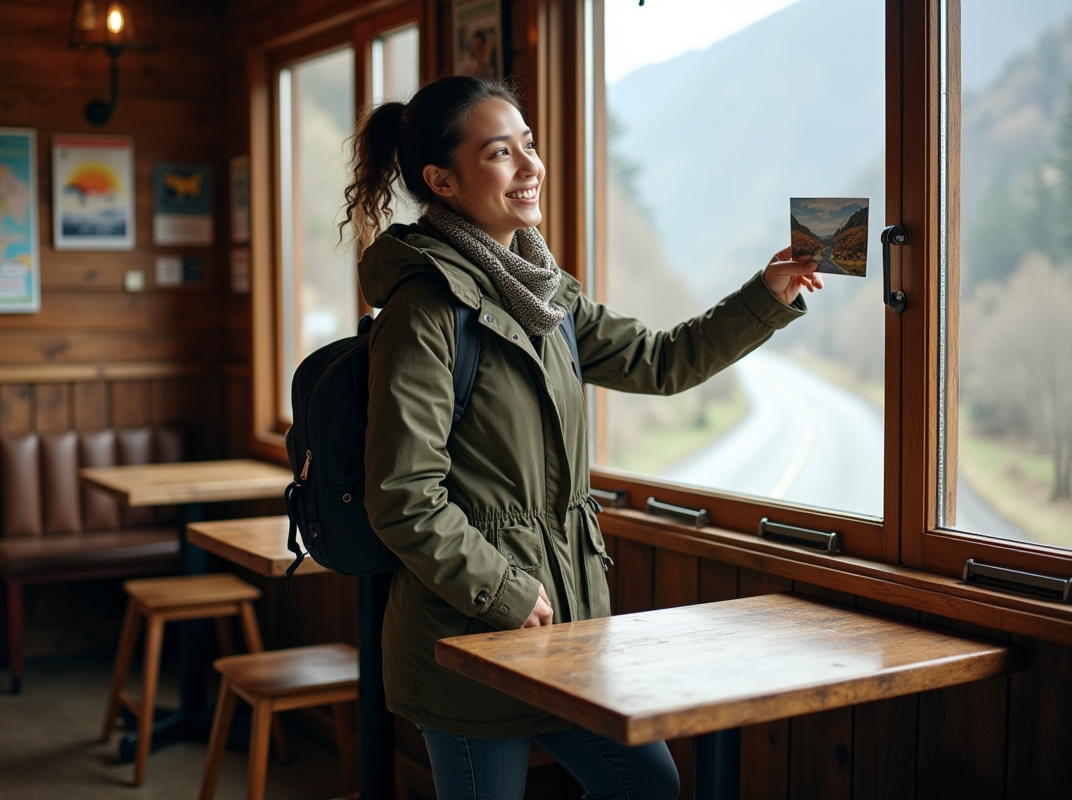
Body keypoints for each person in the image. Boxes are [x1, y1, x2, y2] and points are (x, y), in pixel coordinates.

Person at [341, 75, 822, 800]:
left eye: (529, 145)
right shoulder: (423, 313)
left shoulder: (544, 295)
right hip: (470, 636)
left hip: (568, 632)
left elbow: (660, 360)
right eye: (500, 153)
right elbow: (403, 495)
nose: (530, 166)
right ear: (442, 180)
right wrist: (505, 591)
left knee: (648, 786)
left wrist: (767, 295)